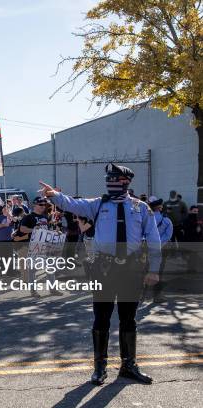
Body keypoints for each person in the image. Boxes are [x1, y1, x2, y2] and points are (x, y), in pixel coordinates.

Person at [40, 163, 161, 386]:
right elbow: (73, 204)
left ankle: (128, 365)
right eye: (108, 179)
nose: (109, 183)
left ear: (125, 182)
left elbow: (153, 239)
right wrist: (54, 195)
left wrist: (154, 269)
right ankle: (100, 367)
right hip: (104, 270)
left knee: (129, 318)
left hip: (131, 270)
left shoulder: (141, 208)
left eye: (114, 179)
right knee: (101, 317)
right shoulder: (98, 205)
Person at [147, 196, 173, 303]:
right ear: (160, 207)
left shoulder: (144, 219)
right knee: (158, 272)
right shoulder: (166, 220)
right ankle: (156, 296)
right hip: (159, 249)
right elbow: (168, 235)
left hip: (145, 249)